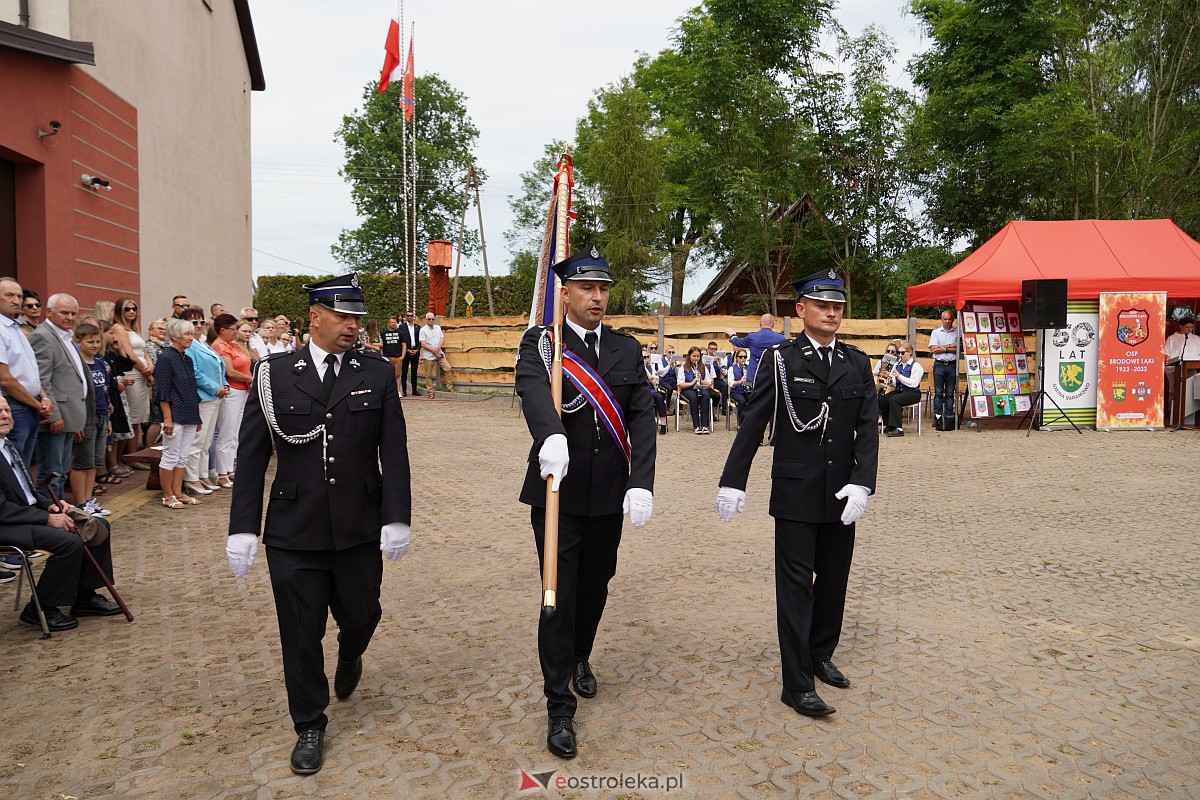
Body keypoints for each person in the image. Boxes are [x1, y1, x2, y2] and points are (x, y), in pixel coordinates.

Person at [226, 273, 411, 776]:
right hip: (295, 527)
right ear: (315, 317)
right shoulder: (274, 374)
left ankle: (351, 654)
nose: (353, 325)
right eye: (343, 316)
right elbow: (251, 454)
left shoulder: (376, 373)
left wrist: (396, 516)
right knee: (300, 632)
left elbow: (393, 451)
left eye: (357, 317)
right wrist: (243, 526)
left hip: (358, 525)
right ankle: (309, 723)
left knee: (362, 614)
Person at [716, 268, 879, 719]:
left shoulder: (856, 362)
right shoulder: (781, 360)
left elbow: (868, 427)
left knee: (833, 582)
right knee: (795, 589)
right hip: (795, 492)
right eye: (822, 305)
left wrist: (863, 481)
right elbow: (755, 422)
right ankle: (796, 684)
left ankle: (820, 653)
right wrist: (733, 479)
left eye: (838, 306)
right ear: (801, 309)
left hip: (841, 491)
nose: (832, 313)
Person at [514, 248, 656, 760]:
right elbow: (532, 389)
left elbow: (642, 415)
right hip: (559, 492)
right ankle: (559, 707)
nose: (597, 297)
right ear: (565, 293)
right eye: (586, 288)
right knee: (558, 595)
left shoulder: (624, 348)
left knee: (596, 585)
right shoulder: (543, 344)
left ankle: (580, 655)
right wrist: (550, 434)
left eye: (603, 289)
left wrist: (641, 481)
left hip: (609, 492)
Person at [0, 396, 120, 630]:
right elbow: (2, 509)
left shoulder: (8, 446)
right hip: (8, 525)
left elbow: (28, 492)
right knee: (69, 542)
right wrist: (47, 518)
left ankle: (85, 596)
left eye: (7, 410)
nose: (5, 416)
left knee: (97, 525)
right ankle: (41, 608)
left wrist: (51, 505)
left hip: (26, 516)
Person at [32, 294, 94, 500]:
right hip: (56, 416)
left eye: (73, 313)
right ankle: (51, 511)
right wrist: (54, 415)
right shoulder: (43, 336)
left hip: (70, 414)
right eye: (64, 312)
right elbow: (42, 379)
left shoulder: (66, 336)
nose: (70, 317)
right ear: (49, 312)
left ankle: (59, 509)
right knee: (51, 473)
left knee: (60, 471)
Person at [0, 278, 53, 466]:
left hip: (28, 404)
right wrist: (37, 405)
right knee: (13, 467)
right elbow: (5, 379)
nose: (16, 300)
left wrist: (43, 397)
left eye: (19, 296)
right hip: (13, 406)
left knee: (24, 465)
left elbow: (30, 370)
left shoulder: (15, 327)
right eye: (9, 295)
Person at [154, 318, 203, 509]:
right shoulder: (166, 358)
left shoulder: (187, 358)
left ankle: (178, 492)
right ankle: (167, 495)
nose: (191, 337)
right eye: (186, 334)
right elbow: (162, 390)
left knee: (183, 456)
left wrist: (196, 416)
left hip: (189, 412)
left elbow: (191, 387)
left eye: (191, 334)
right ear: (174, 336)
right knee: (171, 455)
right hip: (174, 413)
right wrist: (167, 418)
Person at [181, 310, 229, 498]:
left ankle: (202, 475)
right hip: (203, 396)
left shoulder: (202, 342)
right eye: (194, 323)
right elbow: (195, 372)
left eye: (202, 322)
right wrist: (216, 388)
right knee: (198, 440)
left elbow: (218, 366)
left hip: (214, 396)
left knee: (206, 440)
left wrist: (224, 384)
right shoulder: (189, 345)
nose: (199, 326)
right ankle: (191, 477)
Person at [69, 323, 113, 516]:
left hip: (102, 414)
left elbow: (104, 390)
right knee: (82, 461)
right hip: (86, 416)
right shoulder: (77, 364)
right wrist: (76, 422)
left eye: (97, 341)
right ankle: (80, 502)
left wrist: (108, 418)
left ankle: (88, 501)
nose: (95, 345)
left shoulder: (100, 363)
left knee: (95, 460)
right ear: (78, 342)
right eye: (90, 342)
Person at [212, 315, 254, 488]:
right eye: (233, 329)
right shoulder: (219, 345)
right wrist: (251, 378)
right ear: (223, 330)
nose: (235, 332)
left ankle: (230, 467)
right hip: (232, 391)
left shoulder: (233, 344)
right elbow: (230, 371)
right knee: (226, 433)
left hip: (242, 390)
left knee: (235, 433)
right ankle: (222, 472)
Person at [109, 298, 154, 451]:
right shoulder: (118, 328)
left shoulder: (133, 329)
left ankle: (133, 453)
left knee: (140, 416)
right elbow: (130, 354)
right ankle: (130, 454)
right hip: (132, 372)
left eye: (134, 309)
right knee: (134, 416)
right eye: (127, 309)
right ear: (119, 311)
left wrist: (150, 367)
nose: (131, 312)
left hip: (142, 372)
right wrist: (147, 373)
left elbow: (144, 351)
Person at [725, 314, 787, 388]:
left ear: (760, 324)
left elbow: (737, 342)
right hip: (773, 376)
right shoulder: (781, 339)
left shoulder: (752, 337)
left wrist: (733, 335)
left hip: (755, 376)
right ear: (773, 324)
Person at [879, 341, 924, 437]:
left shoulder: (916, 366)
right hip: (900, 391)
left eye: (902, 353)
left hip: (913, 393)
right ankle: (888, 425)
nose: (900, 355)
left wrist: (899, 376)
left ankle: (898, 428)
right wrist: (890, 380)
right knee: (883, 399)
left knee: (894, 400)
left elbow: (914, 383)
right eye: (899, 353)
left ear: (910, 352)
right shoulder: (898, 365)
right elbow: (896, 383)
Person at [929, 309, 959, 430]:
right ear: (941, 320)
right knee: (938, 393)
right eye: (945, 319)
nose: (947, 321)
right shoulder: (936, 332)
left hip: (952, 364)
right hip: (939, 365)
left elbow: (960, 348)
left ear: (953, 320)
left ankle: (948, 418)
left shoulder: (957, 332)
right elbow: (934, 349)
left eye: (949, 319)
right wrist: (952, 347)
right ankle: (938, 418)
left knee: (950, 393)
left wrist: (945, 348)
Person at [677, 346, 714, 434]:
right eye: (694, 356)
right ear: (689, 356)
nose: (696, 358)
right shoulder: (683, 367)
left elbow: (709, 384)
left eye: (698, 356)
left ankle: (704, 425)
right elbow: (680, 384)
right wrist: (691, 383)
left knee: (706, 396)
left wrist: (700, 380)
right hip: (687, 389)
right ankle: (696, 426)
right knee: (694, 398)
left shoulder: (703, 367)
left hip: (700, 388)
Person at [418, 312, 454, 399]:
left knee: (448, 368)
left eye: (432, 319)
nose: (431, 320)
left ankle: (450, 388)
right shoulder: (423, 330)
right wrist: (433, 350)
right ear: (426, 320)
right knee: (428, 374)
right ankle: (430, 392)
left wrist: (438, 348)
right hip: (428, 355)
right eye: (429, 319)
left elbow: (442, 338)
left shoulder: (437, 327)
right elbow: (423, 343)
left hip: (439, 352)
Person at [642, 346, 668, 434]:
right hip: (641, 391)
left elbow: (653, 381)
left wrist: (645, 369)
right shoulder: (636, 368)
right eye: (644, 357)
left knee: (659, 397)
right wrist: (643, 368)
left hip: (651, 390)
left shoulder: (651, 367)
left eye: (647, 357)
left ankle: (663, 424)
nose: (646, 359)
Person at [380, 316, 406, 396]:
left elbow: (404, 345)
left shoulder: (400, 333)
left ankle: (398, 391)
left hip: (397, 357)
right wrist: (382, 356)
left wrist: (402, 356)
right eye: (392, 322)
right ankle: (387, 392)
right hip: (387, 358)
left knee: (397, 375)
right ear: (388, 323)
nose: (393, 324)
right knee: (387, 376)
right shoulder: (383, 334)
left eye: (395, 322)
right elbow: (381, 346)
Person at [399, 311, 421, 397]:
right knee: (404, 371)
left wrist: (417, 349)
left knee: (414, 372)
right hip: (406, 351)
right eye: (408, 316)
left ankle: (414, 390)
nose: (410, 317)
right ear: (406, 317)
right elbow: (401, 340)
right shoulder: (402, 327)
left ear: (413, 317)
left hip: (415, 351)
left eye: (411, 315)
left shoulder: (417, 327)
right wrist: (407, 350)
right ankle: (404, 391)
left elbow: (420, 340)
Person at [728, 349, 751, 423]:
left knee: (754, 399)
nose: (743, 359)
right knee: (742, 401)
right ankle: (741, 423)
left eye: (745, 357)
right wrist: (739, 382)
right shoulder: (732, 368)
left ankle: (751, 422)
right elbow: (730, 383)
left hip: (747, 391)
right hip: (736, 392)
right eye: (741, 357)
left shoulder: (749, 368)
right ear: (737, 358)